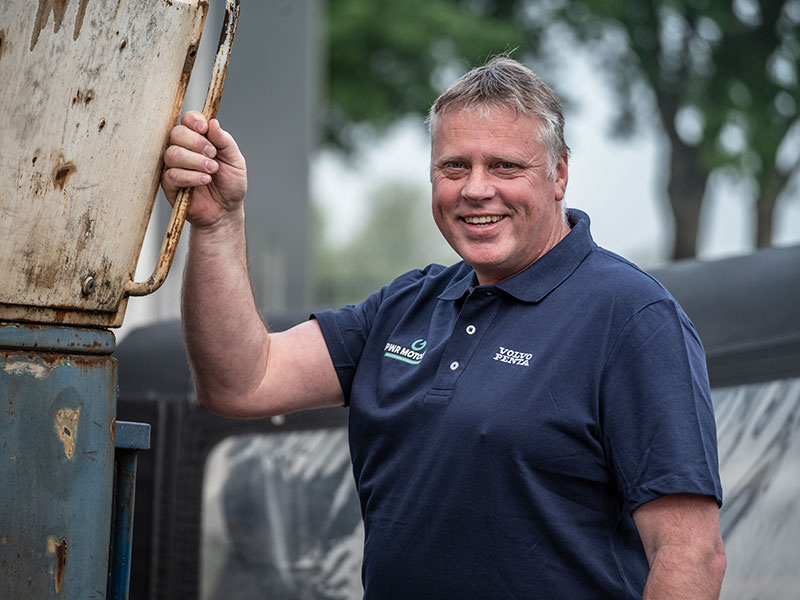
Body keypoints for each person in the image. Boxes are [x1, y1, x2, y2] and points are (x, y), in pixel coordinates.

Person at [162, 57, 726, 598]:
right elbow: (241, 381)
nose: (476, 189)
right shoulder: (407, 304)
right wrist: (216, 225)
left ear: (559, 174)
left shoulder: (631, 318)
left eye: (505, 166)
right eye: (454, 166)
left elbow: (690, 554)